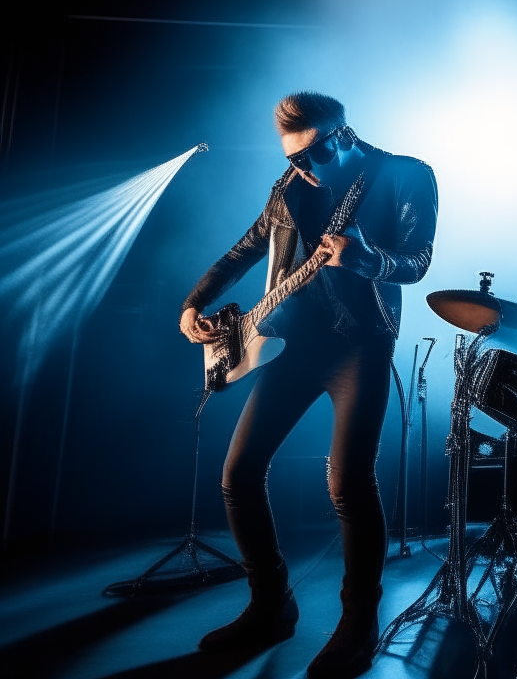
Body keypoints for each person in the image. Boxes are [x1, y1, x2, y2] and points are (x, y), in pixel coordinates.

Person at [179, 92, 437, 679]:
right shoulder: (289, 188)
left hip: (362, 344)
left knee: (347, 481)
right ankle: (271, 606)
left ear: (342, 136)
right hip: (294, 344)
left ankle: (357, 622)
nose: (302, 169)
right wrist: (195, 303)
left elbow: (418, 259)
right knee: (238, 474)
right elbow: (245, 251)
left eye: (312, 155)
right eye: (293, 159)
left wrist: (369, 260)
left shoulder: (404, 174)